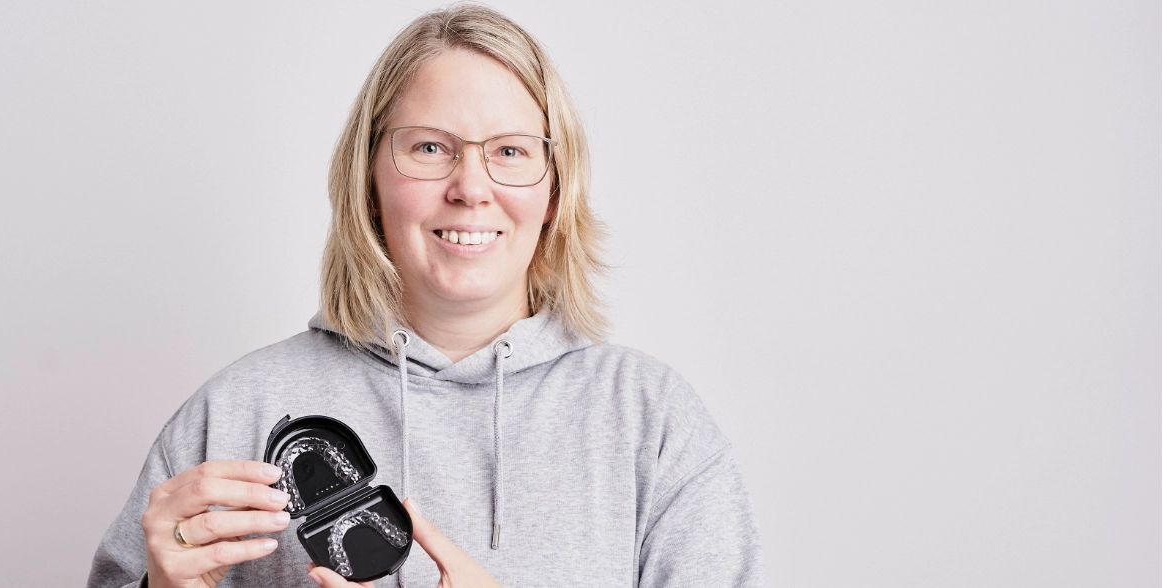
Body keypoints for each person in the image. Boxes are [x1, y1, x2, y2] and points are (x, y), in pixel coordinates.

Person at [88, 5, 765, 588]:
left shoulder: (651, 423)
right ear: (369, 179)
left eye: (510, 151)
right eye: (431, 148)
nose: (471, 187)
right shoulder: (236, 412)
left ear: (555, 190)